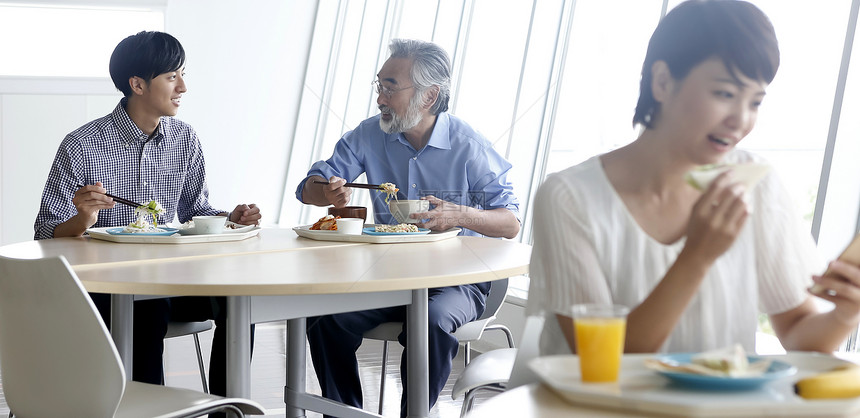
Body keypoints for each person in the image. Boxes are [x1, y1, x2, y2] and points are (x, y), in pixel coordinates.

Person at [527, 0, 860, 357]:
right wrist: (697, 256)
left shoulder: (755, 184)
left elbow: (799, 332)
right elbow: (600, 360)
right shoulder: (568, 197)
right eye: (726, 94)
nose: (741, 120)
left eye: (755, 102)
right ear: (663, 82)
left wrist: (845, 313)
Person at [296, 39, 520, 417]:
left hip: (459, 280)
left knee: (430, 323)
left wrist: (460, 215)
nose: (380, 98)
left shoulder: (469, 146)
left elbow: (511, 222)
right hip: (390, 278)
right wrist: (327, 192)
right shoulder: (369, 134)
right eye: (378, 85)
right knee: (324, 318)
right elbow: (308, 188)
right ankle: (343, 412)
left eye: (390, 87)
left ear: (429, 96)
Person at [33, 31, 261, 397]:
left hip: (171, 277)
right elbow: (44, 234)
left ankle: (226, 408)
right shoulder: (82, 144)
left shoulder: (184, 138)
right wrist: (83, 220)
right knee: (147, 310)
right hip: (109, 286)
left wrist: (231, 216)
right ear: (137, 84)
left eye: (182, 74)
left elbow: (195, 211)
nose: (183, 86)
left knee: (239, 301)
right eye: (172, 76)